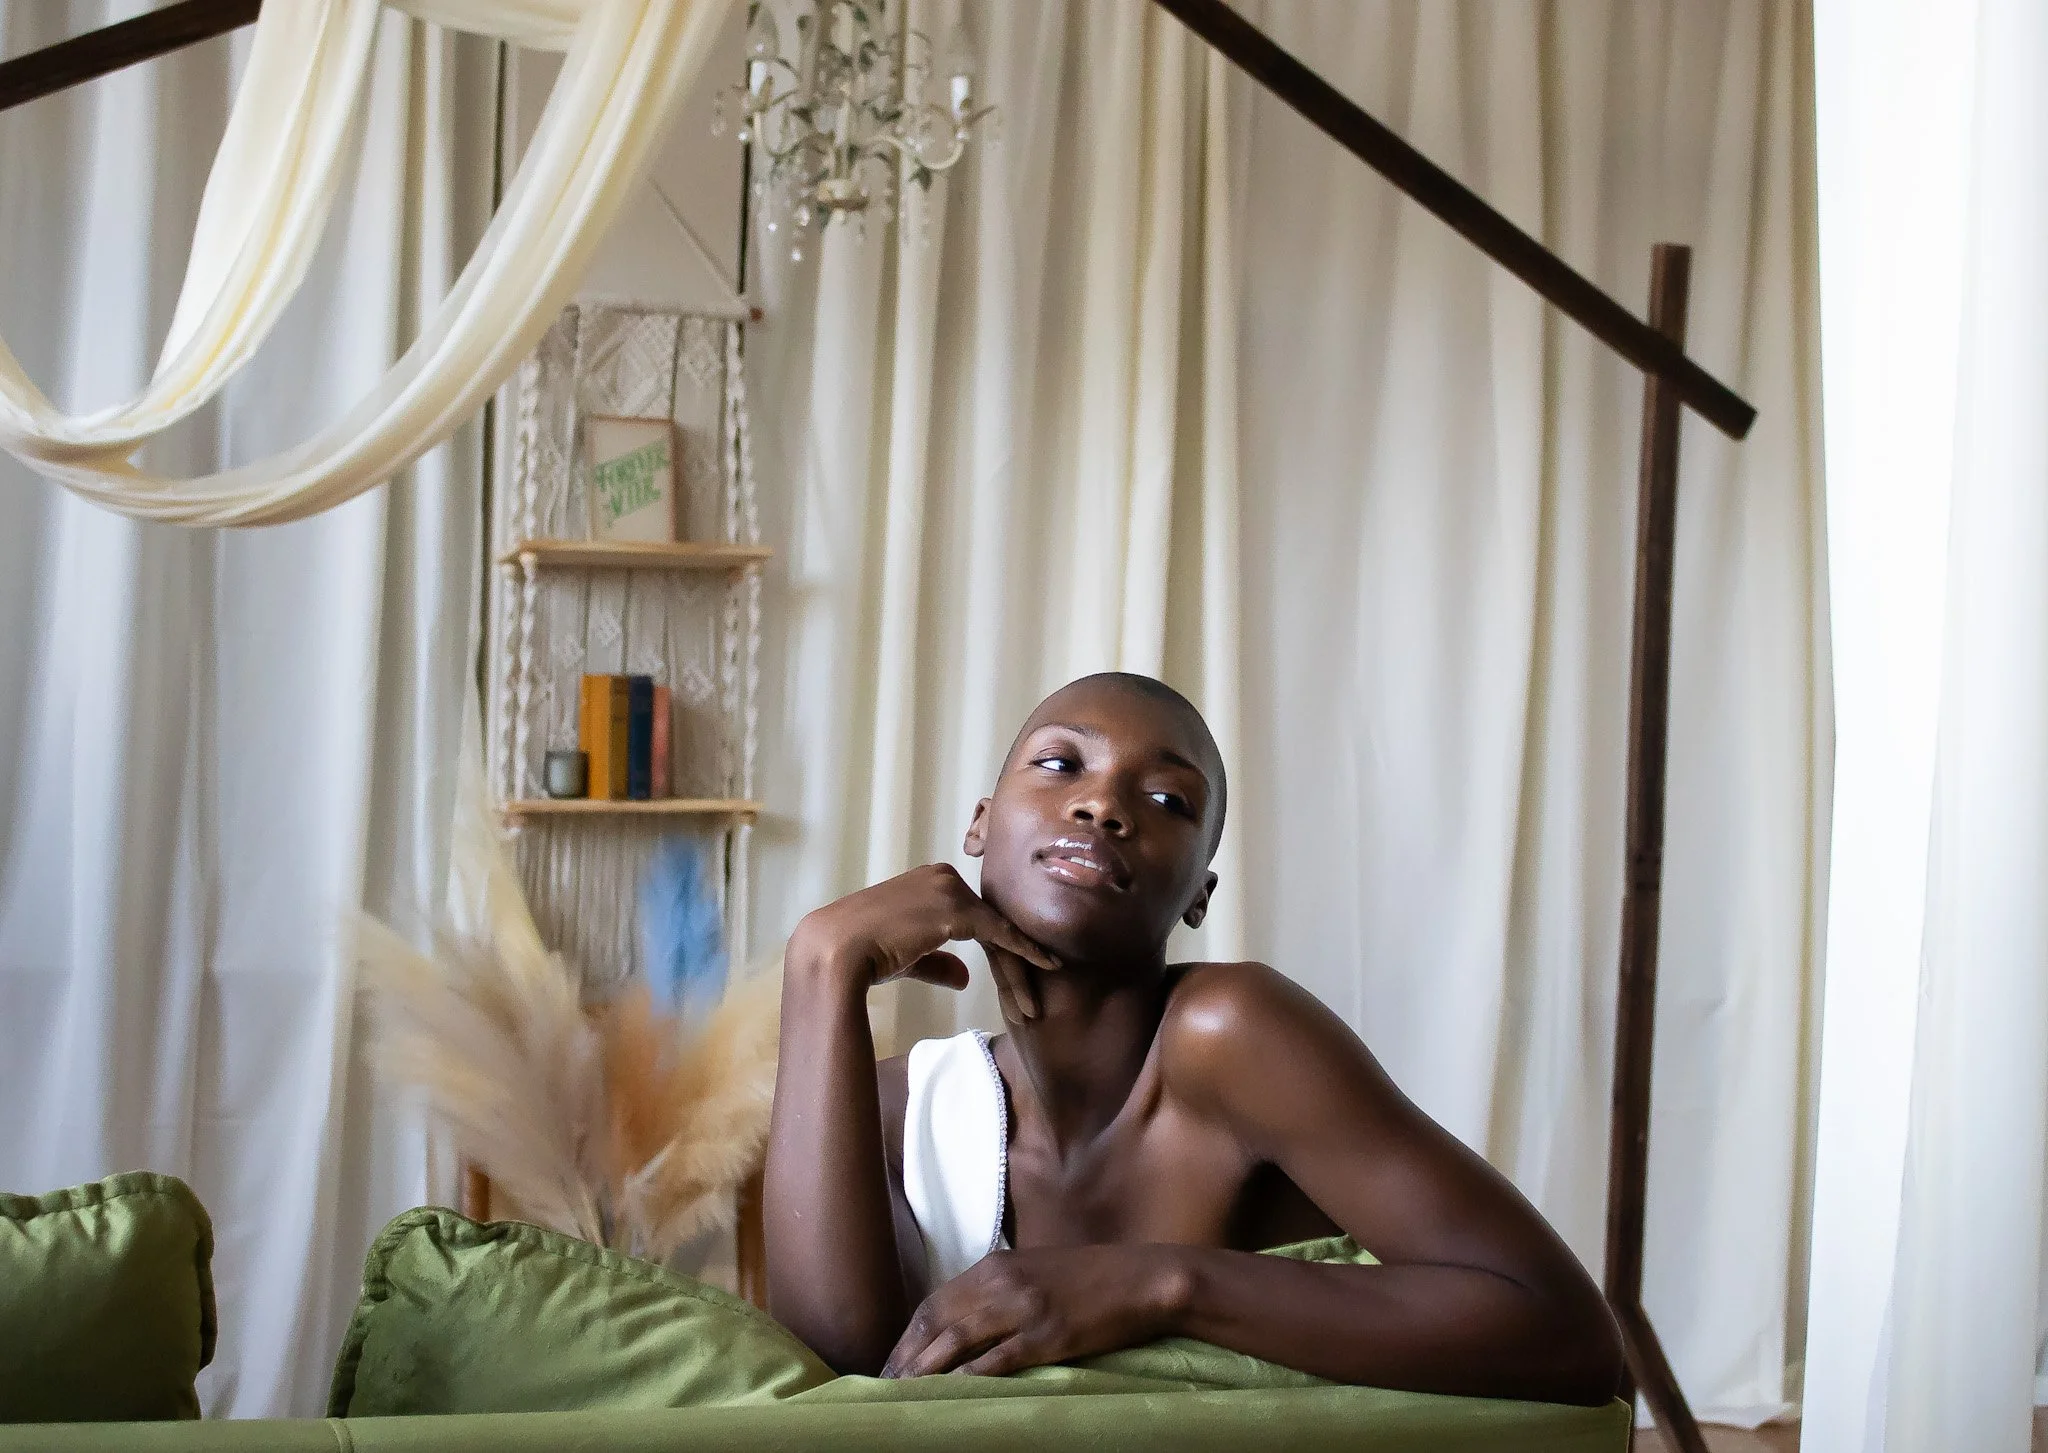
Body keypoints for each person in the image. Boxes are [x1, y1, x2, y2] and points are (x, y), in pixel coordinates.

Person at [763, 672, 1623, 1407]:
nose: (1102, 803)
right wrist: (821, 968)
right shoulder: (899, 1109)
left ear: (1198, 894)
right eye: (1061, 764)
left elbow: (1568, 1333)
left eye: (1167, 799)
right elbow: (847, 1380)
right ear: (981, 824)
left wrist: (1156, 1282)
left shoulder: (1232, 1034)